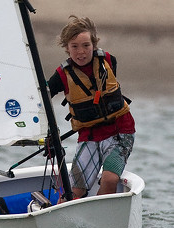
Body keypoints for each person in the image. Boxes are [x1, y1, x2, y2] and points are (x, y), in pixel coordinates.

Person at [47, 16, 135, 201]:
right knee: (73, 191)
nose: (81, 52)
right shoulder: (62, 74)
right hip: (89, 136)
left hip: (120, 131)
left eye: (86, 45)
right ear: (67, 48)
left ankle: (99, 215)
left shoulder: (109, 60)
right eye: (75, 46)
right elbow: (42, 98)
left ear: (94, 44)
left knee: (109, 178)